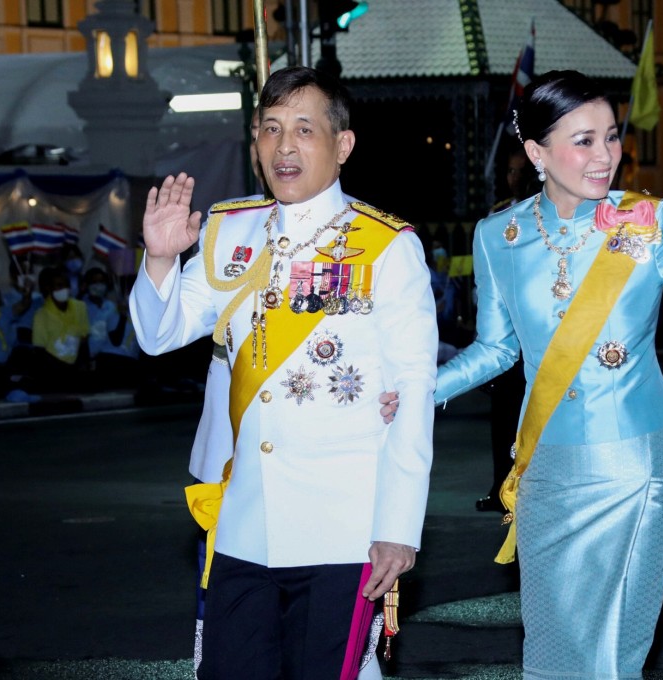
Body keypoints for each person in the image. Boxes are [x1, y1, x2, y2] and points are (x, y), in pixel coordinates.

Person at [382, 70, 663, 677]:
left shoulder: (650, 220)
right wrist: (423, 391)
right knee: (552, 645)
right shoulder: (498, 236)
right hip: (546, 467)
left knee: (612, 648)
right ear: (536, 152)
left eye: (611, 137)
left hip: (634, 464)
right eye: (583, 140)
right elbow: (495, 348)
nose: (605, 156)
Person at [130, 66, 437, 679]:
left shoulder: (385, 246)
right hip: (245, 522)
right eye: (270, 129)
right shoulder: (229, 230)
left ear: (342, 145)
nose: (285, 146)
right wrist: (162, 258)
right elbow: (159, 335)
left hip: (345, 528)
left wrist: (398, 529)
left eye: (304, 128)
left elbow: (410, 395)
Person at [475, 148, 536, 512]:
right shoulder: (499, 215)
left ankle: (528, 487)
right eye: (509, 170)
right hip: (504, 329)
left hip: (534, 330)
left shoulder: (543, 213)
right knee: (503, 414)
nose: (513, 177)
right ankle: (501, 486)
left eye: (519, 171)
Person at [31, 267, 90, 390]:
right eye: (59, 285)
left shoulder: (80, 307)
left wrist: (83, 365)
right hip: (53, 368)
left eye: (66, 285)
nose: (64, 289)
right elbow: (40, 350)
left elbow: (84, 339)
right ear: (49, 288)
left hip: (76, 365)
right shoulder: (41, 314)